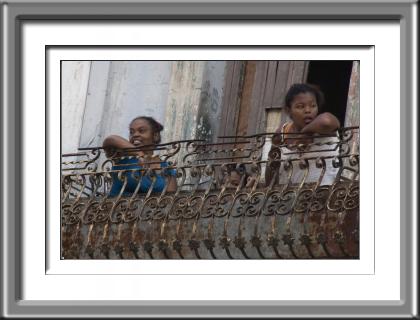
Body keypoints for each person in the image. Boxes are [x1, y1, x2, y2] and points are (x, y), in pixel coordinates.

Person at [266, 83, 341, 186]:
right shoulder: (283, 133)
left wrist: (306, 132)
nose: (308, 110)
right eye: (300, 106)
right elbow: (271, 172)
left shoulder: (325, 129)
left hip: (324, 195)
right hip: (292, 198)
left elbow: (327, 121)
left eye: (313, 106)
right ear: (289, 111)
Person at [102, 116, 177, 197]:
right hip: (117, 207)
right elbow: (110, 140)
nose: (135, 135)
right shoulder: (121, 157)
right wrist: (140, 154)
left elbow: (170, 197)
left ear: (155, 135)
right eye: (131, 132)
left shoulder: (166, 167)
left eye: (141, 131)